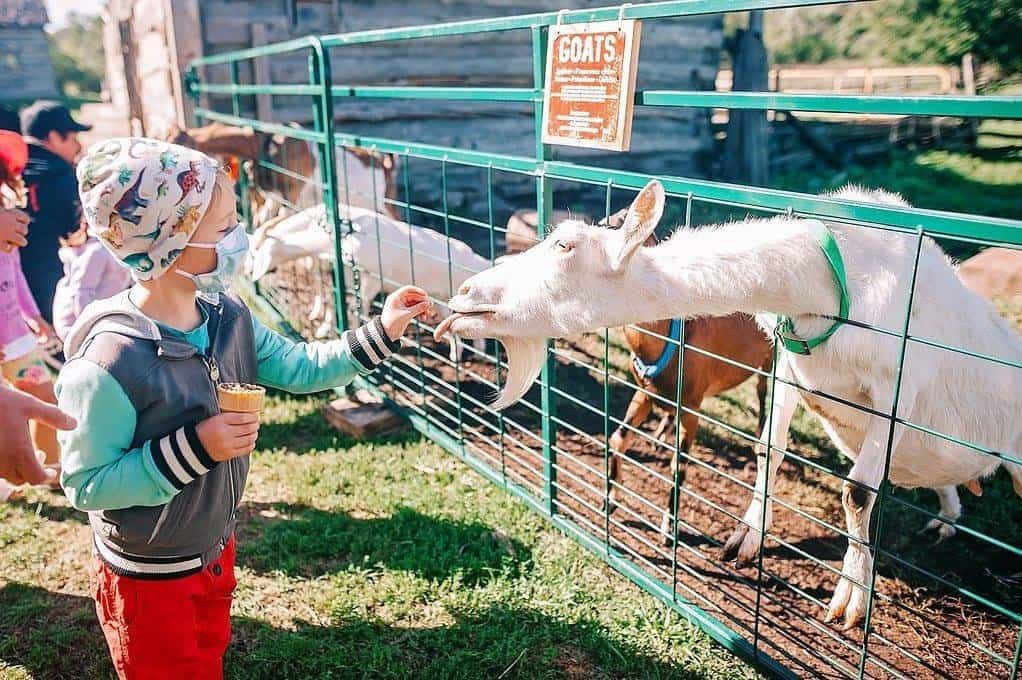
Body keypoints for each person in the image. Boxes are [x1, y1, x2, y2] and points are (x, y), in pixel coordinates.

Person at [56, 138, 431, 679]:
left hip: (214, 545)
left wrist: (383, 329)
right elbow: (87, 484)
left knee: (207, 656)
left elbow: (301, 367)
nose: (241, 238)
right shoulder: (108, 364)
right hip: (149, 573)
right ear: (169, 240)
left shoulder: (227, 314)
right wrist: (195, 448)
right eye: (224, 227)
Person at [0, 130, 61, 500]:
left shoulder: (9, 217)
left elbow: (16, 273)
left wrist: (33, 315)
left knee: (42, 396)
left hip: (14, 334)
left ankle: (48, 467)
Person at [20, 100, 92, 323]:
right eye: (73, 138)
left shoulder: (10, 176)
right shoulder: (63, 178)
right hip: (59, 287)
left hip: (17, 296)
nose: (78, 147)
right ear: (53, 137)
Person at [52, 219, 133, 341]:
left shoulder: (121, 248)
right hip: (76, 324)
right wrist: (88, 329)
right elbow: (81, 292)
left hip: (101, 320)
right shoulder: (98, 251)